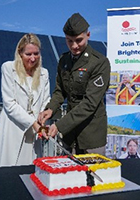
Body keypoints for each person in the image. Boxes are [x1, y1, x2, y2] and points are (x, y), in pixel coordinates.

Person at [37, 13, 110, 155]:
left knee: (93, 174)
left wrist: (59, 126)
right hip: (70, 135)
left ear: (88, 35)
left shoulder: (99, 63)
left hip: (91, 133)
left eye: (79, 40)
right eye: (69, 41)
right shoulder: (64, 60)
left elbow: (90, 103)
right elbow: (60, 91)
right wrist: (50, 109)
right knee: (69, 173)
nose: (74, 46)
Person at [0, 33, 50, 167]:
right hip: (13, 128)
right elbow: (10, 104)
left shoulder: (44, 73)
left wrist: (42, 118)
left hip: (34, 132)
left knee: (32, 170)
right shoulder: (8, 68)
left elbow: (46, 100)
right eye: (28, 54)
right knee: (8, 171)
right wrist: (33, 123)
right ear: (20, 53)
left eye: (36, 53)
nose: (33, 58)